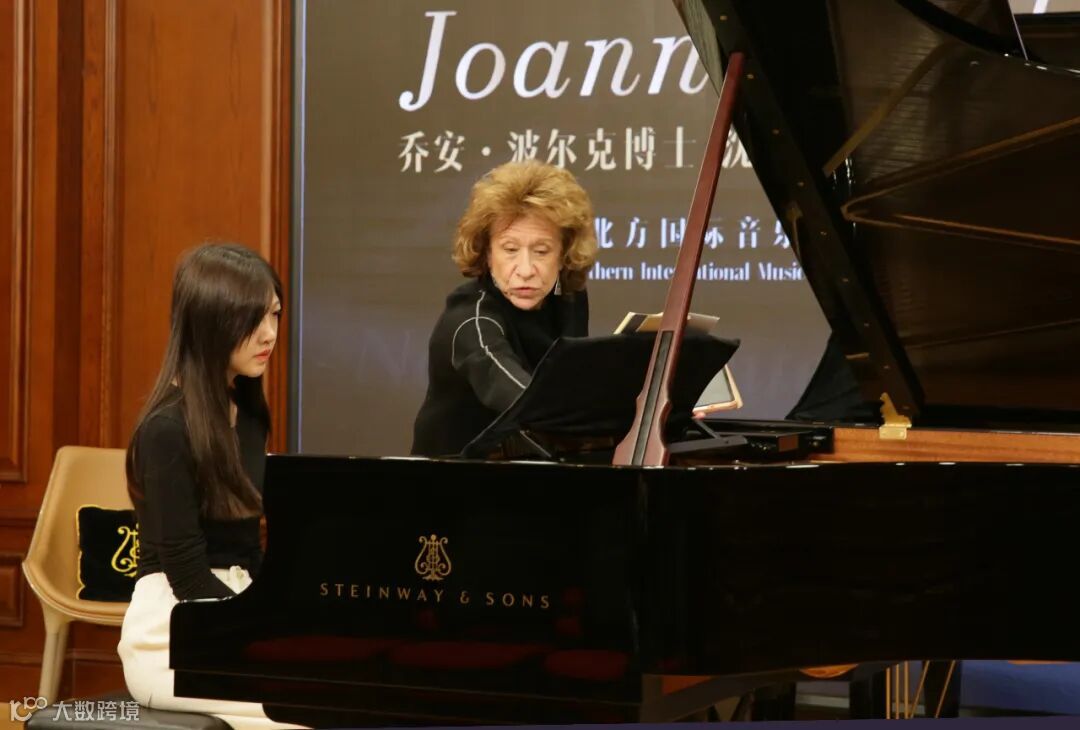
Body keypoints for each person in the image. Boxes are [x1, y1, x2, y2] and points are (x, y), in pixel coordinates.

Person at [117, 243, 298, 729]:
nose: (269, 333)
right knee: (301, 710)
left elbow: (250, 550)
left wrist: (282, 619)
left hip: (234, 609)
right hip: (172, 630)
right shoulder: (165, 429)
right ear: (210, 322)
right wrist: (259, 630)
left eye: (274, 314)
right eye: (252, 319)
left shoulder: (251, 416)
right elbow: (186, 574)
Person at [411, 160, 598, 457]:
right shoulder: (471, 318)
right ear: (487, 253)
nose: (525, 270)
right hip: (450, 477)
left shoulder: (570, 300)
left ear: (564, 254)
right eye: (510, 250)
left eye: (541, 251)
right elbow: (522, 401)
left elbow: (571, 387)